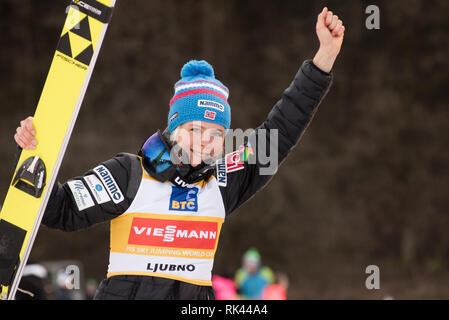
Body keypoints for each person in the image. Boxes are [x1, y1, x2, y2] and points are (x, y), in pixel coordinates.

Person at [13, 8, 345, 300]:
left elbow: (281, 130)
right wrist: (33, 157)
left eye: (217, 134)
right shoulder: (128, 174)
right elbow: (61, 210)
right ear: (174, 128)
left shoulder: (226, 179)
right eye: (195, 129)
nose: (205, 141)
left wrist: (323, 60)